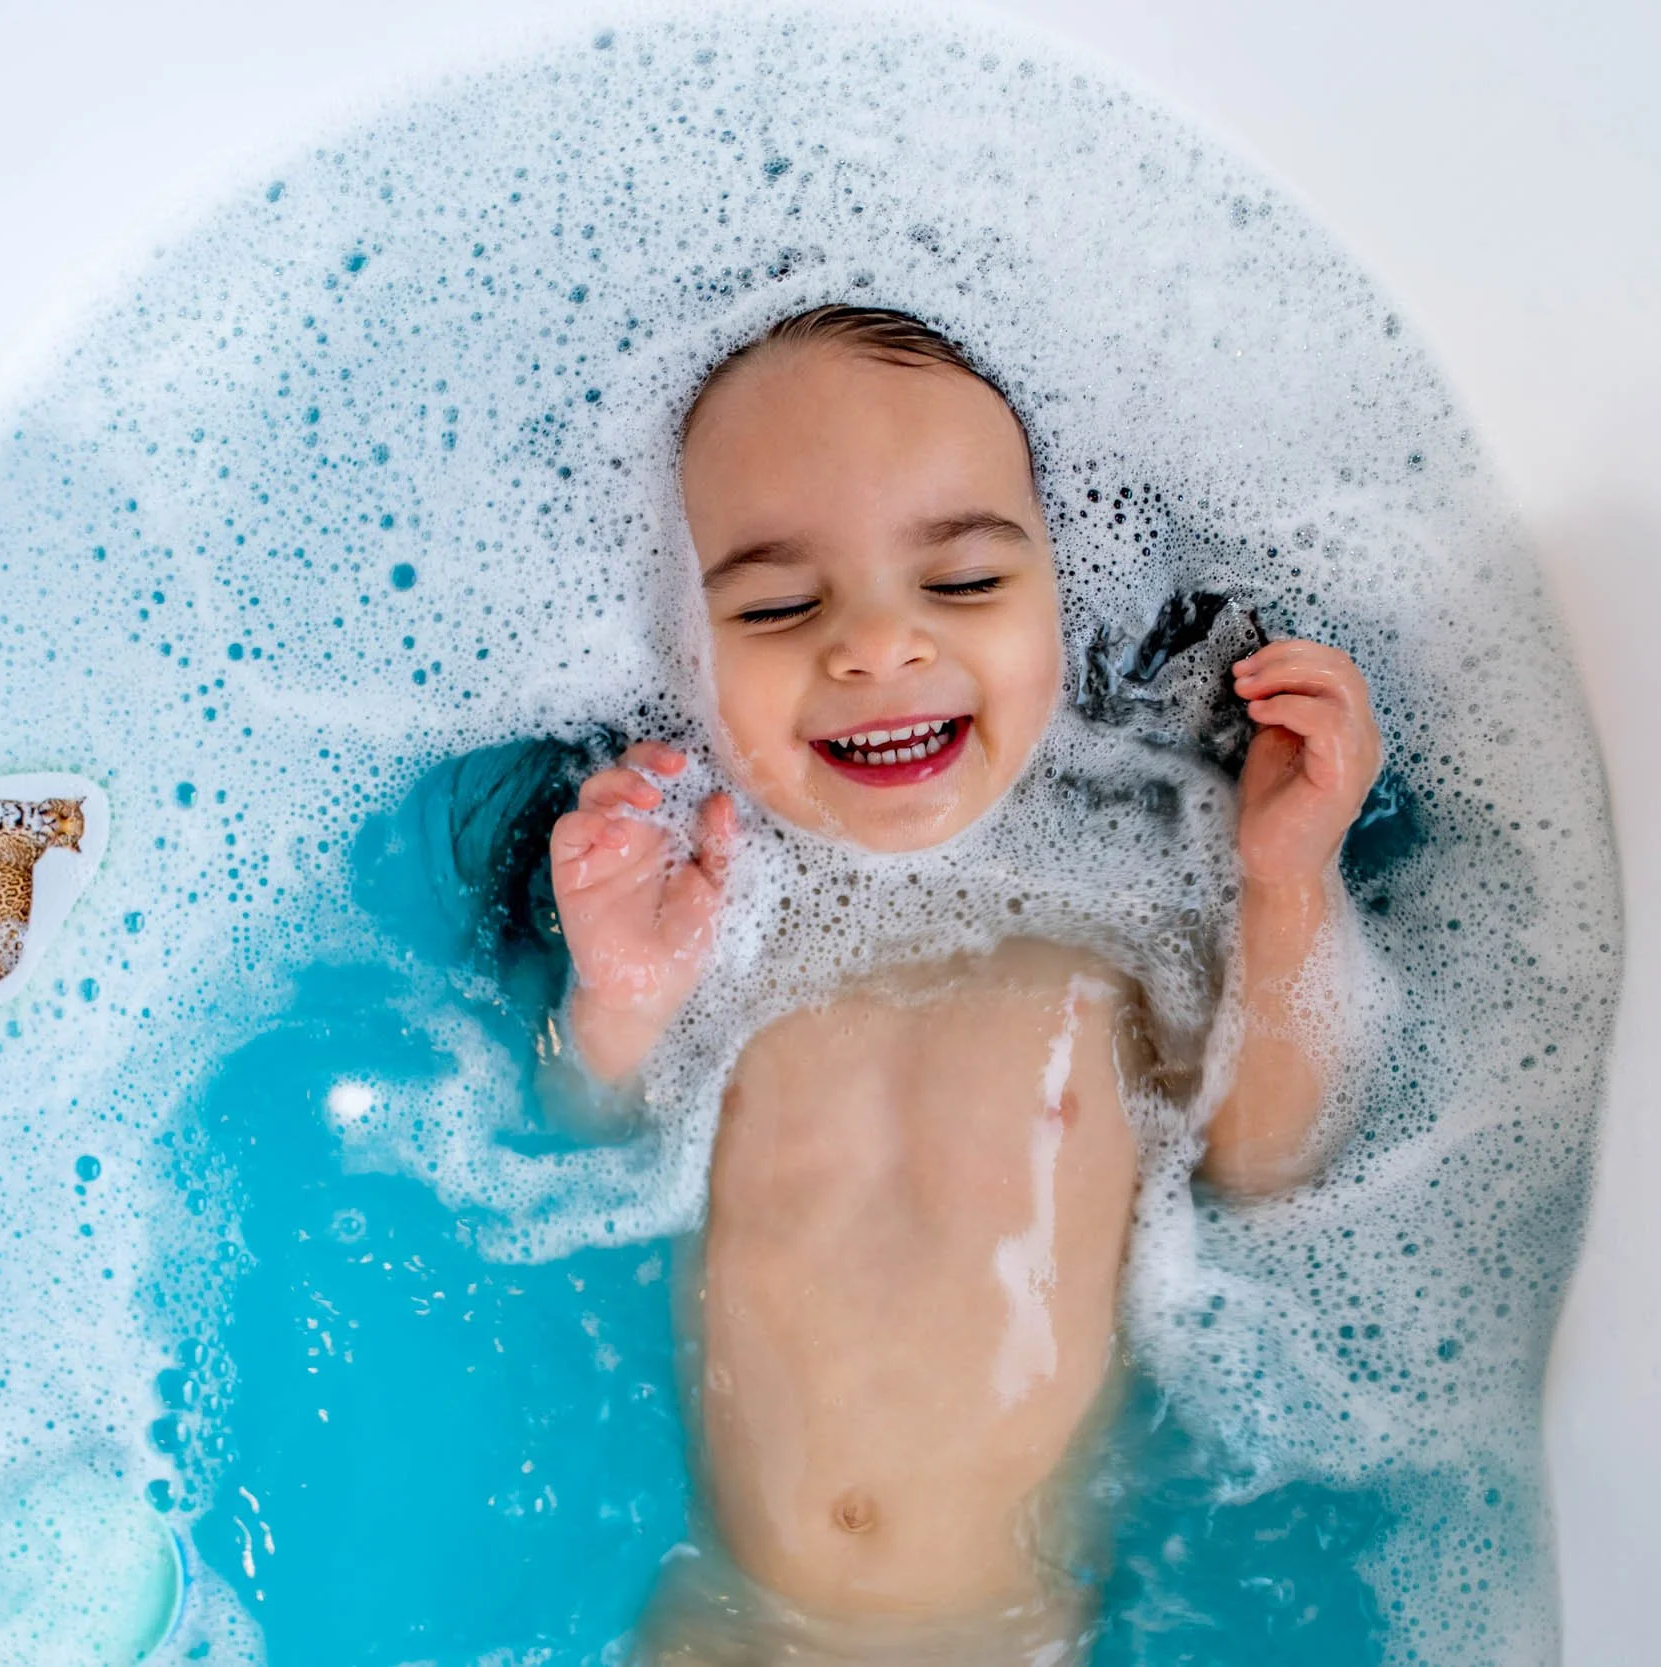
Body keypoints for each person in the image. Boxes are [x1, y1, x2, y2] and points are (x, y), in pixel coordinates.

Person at [547, 306, 1382, 1662]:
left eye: (967, 584)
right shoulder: (722, 926)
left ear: (1070, 590)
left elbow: (1268, 1162)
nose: (879, 646)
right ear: (685, 648)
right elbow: (566, 1154)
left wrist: (1290, 874)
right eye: (777, 603)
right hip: (723, 1624)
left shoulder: (1124, 918)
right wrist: (620, 1001)